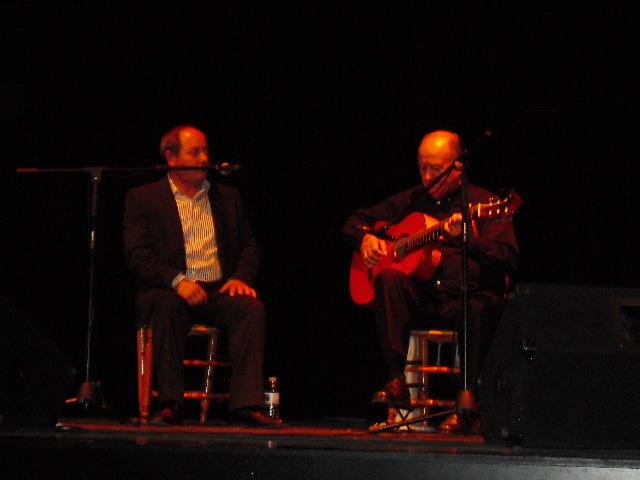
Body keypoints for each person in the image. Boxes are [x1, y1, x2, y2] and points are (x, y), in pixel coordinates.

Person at [342, 129, 519, 433]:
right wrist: (365, 238)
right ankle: (395, 378)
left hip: (467, 301)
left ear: (457, 167)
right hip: (425, 303)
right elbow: (353, 221)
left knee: (479, 306)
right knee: (389, 277)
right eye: (422, 166)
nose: (426, 176)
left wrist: (468, 240)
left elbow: (508, 257)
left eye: (435, 169)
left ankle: (467, 405)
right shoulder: (412, 200)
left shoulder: (486, 203)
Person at [123, 125, 282, 427]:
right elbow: (137, 254)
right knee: (168, 306)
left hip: (217, 288)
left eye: (205, 151)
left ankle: (245, 405)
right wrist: (178, 280)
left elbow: (250, 246)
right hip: (170, 289)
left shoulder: (227, 197)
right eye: (195, 152)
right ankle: (171, 404)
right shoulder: (143, 198)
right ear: (171, 158)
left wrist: (241, 278)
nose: (204, 158)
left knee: (251, 309)